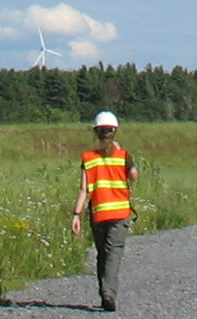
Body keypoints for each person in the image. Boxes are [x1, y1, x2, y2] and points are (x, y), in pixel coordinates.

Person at [70, 110, 137, 312]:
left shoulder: (88, 158)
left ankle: (104, 293)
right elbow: (134, 176)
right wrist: (122, 154)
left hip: (98, 213)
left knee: (102, 253)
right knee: (113, 253)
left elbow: (84, 189)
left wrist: (76, 214)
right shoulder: (123, 156)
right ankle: (109, 294)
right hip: (120, 213)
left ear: (96, 133)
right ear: (115, 131)